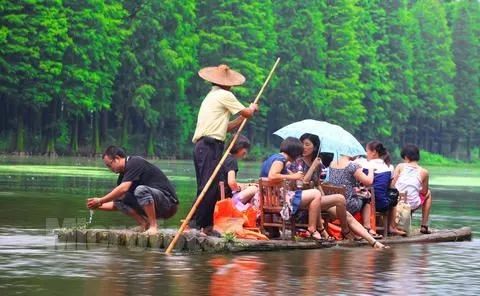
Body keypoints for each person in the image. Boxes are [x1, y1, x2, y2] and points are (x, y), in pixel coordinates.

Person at [190, 64, 259, 235]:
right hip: (209, 146)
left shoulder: (212, 95)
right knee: (209, 186)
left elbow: (225, 127)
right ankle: (200, 225)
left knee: (208, 185)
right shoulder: (224, 94)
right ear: (228, 84)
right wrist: (252, 109)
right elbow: (247, 112)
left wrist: (242, 119)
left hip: (205, 146)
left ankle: (203, 225)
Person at [87, 146, 178, 235]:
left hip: (168, 204)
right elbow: (118, 204)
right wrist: (97, 206)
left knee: (140, 190)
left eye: (109, 165)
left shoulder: (135, 162)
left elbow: (123, 188)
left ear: (117, 158)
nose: (110, 169)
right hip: (153, 205)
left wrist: (100, 200)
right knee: (120, 198)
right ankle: (144, 224)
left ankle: (153, 226)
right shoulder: (122, 178)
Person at [328, 153, 376, 235]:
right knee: (367, 196)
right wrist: (371, 170)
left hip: (332, 203)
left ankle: (362, 228)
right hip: (347, 204)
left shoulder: (332, 163)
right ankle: (367, 227)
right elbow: (368, 182)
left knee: (362, 194)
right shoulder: (352, 166)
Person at [365, 141, 405, 236]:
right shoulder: (389, 167)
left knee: (365, 199)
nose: (366, 153)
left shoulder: (366, 165)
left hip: (368, 204)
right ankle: (391, 227)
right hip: (383, 204)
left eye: (367, 151)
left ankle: (368, 226)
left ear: (374, 152)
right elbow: (390, 186)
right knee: (393, 198)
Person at [392, 144, 433, 234]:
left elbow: (392, 185)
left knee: (400, 194)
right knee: (429, 193)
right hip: (412, 203)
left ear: (406, 157)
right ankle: (424, 225)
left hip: (397, 202)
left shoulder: (400, 166)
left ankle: (401, 221)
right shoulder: (424, 172)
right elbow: (424, 192)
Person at [221, 135, 258, 210]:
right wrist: (239, 189)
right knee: (255, 189)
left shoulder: (223, 157)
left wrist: (244, 186)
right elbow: (231, 183)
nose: (244, 156)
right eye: (244, 152)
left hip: (221, 194)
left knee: (250, 186)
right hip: (228, 199)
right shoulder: (232, 160)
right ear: (239, 148)